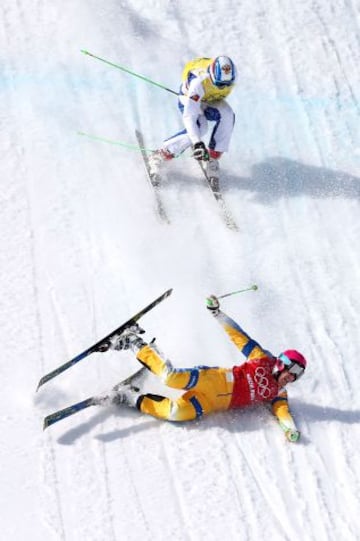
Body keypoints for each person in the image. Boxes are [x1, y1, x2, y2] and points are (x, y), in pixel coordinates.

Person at [102, 295, 307, 443]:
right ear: (282, 364)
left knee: (176, 413)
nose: (292, 378)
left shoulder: (279, 392)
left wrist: (290, 430)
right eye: (292, 371)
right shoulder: (261, 359)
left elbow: (283, 412)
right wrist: (218, 314)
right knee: (171, 379)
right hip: (214, 380)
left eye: (297, 375)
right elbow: (239, 336)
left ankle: (130, 397)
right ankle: (133, 341)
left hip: (211, 403)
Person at [148, 56, 237, 190]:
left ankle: (211, 159)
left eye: (226, 84)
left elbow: (222, 88)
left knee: (228, 115)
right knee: (200, 128)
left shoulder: (229, 77)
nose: (223, 87)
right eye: (219, 84)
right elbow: (189, 115)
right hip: (190, 99)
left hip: (209, 100)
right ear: (212, 75)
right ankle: (160, 153)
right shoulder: (198, 83)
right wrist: (198, 143)